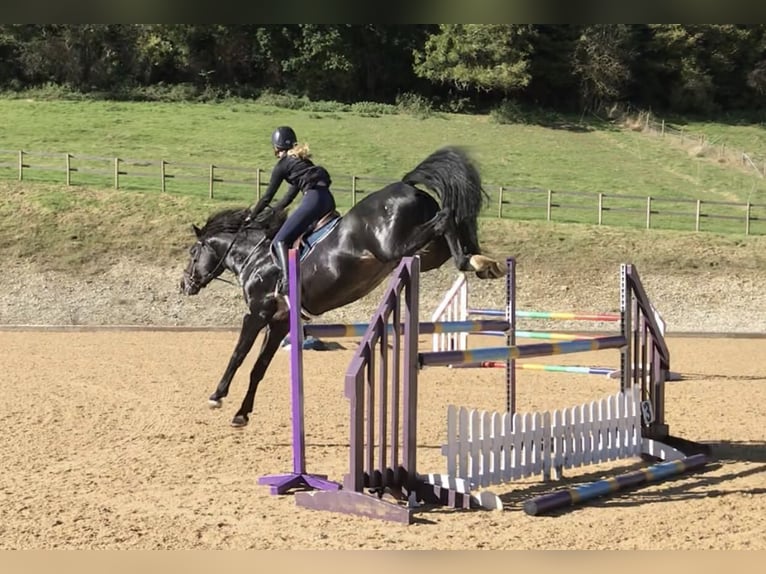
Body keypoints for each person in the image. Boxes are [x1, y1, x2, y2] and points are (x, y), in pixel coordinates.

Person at [249, 126, 336, 296]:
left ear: (276, 148)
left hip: (313, 200)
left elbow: (267, 197)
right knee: (302, 238)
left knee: (279, 242)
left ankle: (288, 281)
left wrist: (251, 216)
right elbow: (287, 199)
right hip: (328, 199)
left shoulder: (282, 165)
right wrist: (273, 212)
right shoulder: (301, 162)